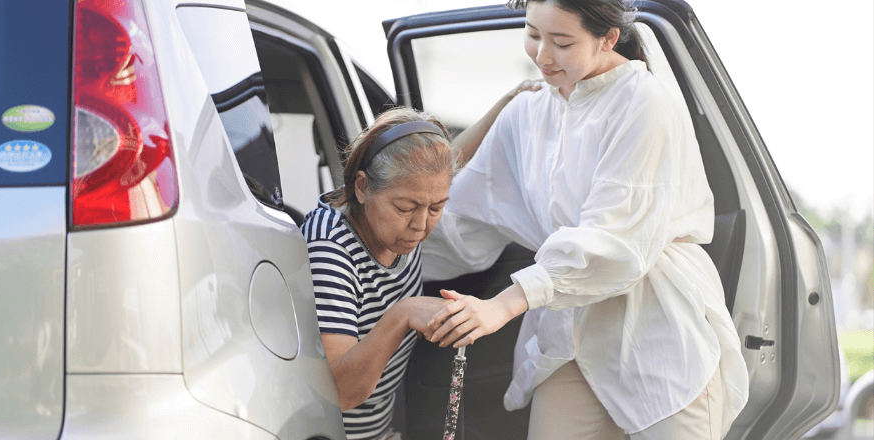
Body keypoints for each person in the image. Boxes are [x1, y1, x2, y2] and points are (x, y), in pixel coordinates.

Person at [420, 0, 750, 439]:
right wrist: (376, 249)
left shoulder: (645, 104)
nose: (541, 56)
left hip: (656, 330)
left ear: (608, 39)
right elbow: (461, 210)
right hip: (569, 339)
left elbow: (612, 240)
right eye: (533, 34)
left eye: (561, 42)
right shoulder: (527, 112)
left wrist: (502, 306)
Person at [300, 102, 538, 440]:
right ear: (363, 187)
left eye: (437, 207)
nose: (421, 225)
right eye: (406, 207)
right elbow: (341, 393)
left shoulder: (399, 217)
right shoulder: (331, 250)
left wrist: (512, 99)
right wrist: (403, 314)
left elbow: (449, 161)